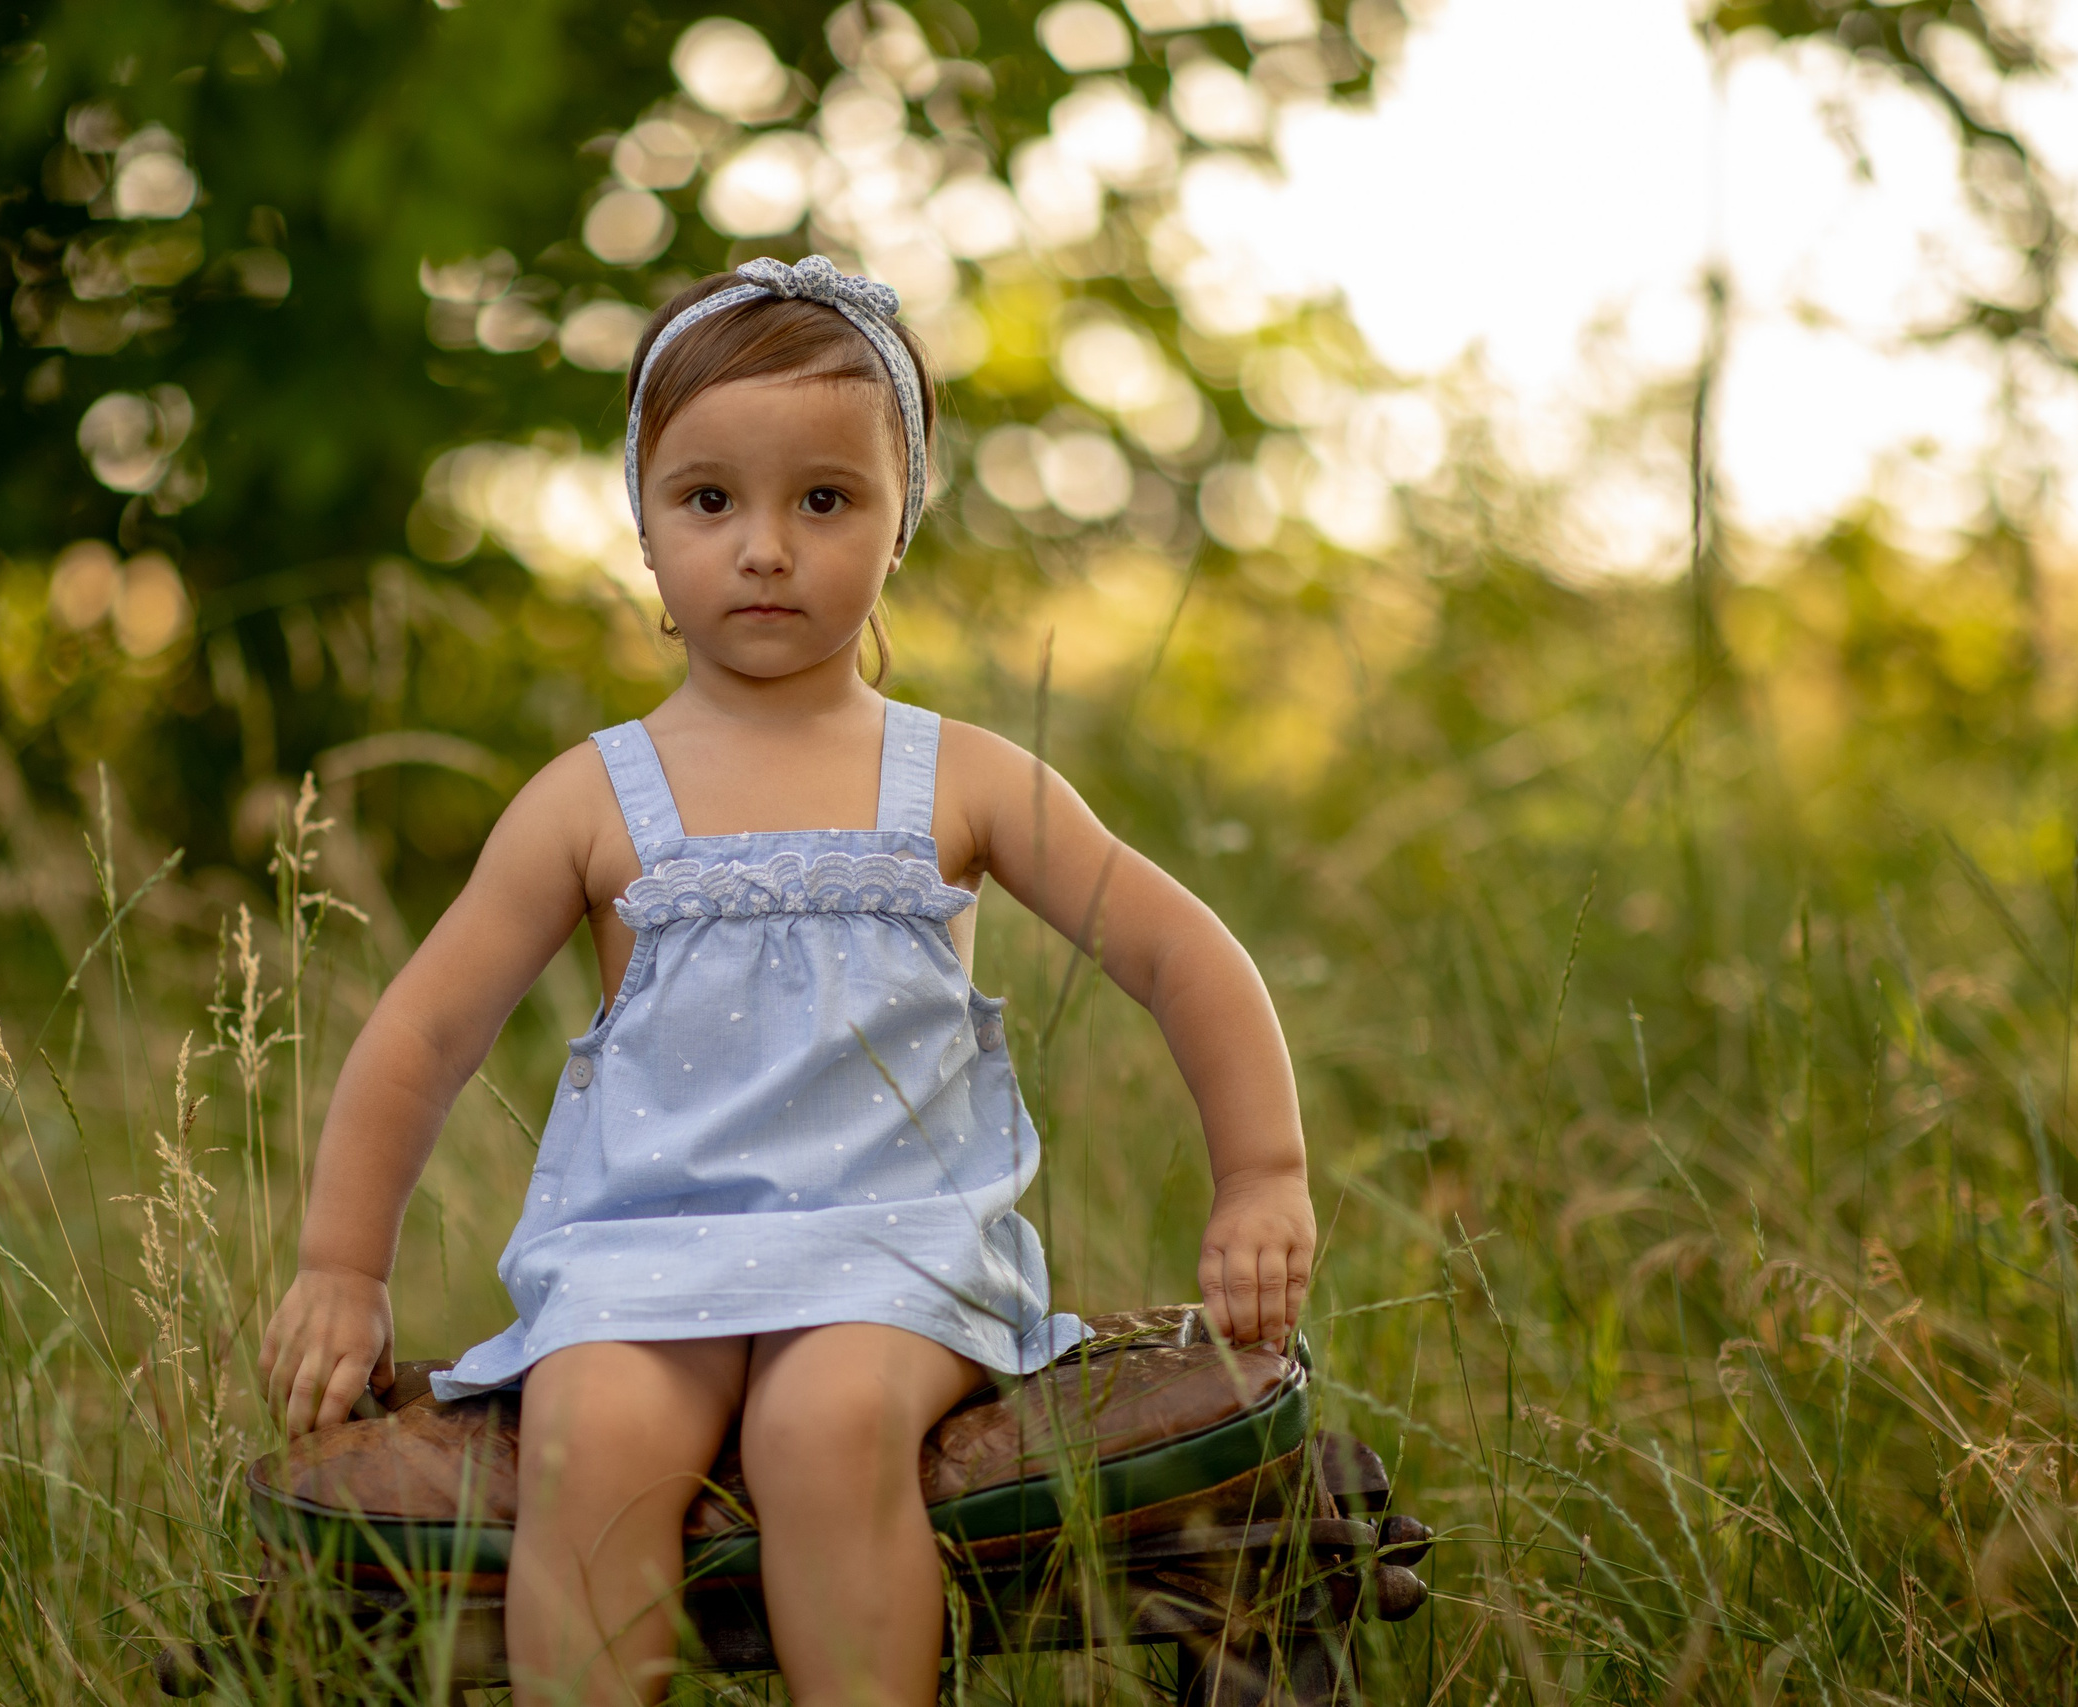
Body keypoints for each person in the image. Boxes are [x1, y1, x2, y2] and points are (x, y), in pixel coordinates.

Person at [259, 256, 1313, 1707]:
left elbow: (1180, 952)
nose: (765, 547)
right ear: (643, 526)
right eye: (709, 500)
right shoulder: (593, 799)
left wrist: (1262, 1172)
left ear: (900, 523)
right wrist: (341, 1266)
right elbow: (425, 1033)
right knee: (596, 1438)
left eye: (824, 500)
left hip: (891, 1246)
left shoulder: (962, 777)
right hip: (646, 1250)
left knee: (824, 1425)